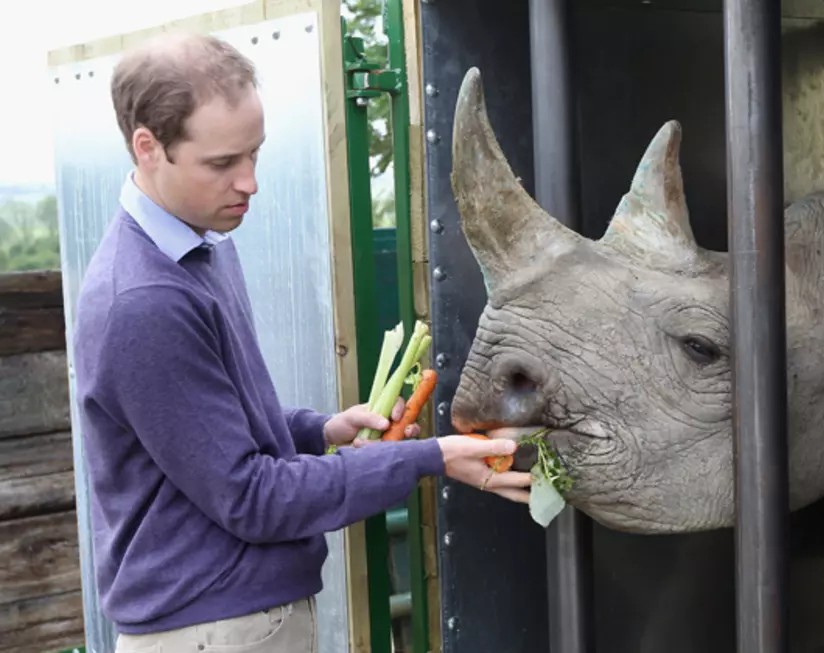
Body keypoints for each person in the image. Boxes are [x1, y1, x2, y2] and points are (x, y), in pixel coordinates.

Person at [71, 32, 532, 653]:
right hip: (211, 631)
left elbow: (210, 432)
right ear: (148, 148)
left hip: (232, 620)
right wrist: (430, 458)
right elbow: (250, 497)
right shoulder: (144, 301)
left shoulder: (199, 247)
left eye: (255, 154)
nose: (250, 182)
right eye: (222, 163)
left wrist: (320, 430)